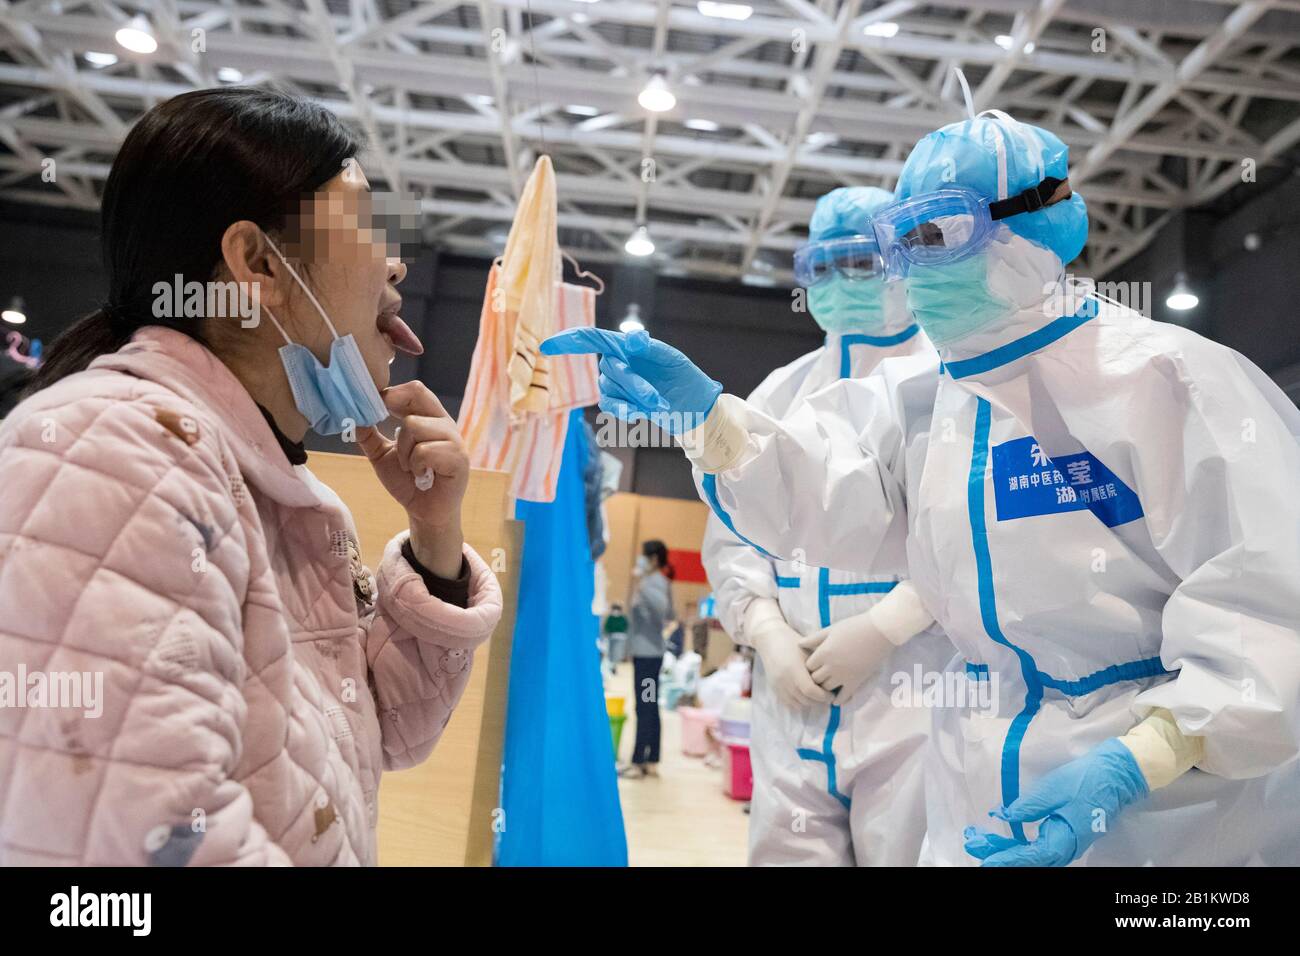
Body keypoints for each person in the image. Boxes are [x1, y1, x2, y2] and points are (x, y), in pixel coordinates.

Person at [543, 108, 1300, 866]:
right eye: (902, 243)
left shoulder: (1175, 382)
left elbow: (1272, 614)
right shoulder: (931, 397)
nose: (916, 268)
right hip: (971, 775)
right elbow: (824, 490)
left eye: (940, 234)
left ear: (1039, 224)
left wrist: (1147, 755)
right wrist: (711, 423)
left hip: (1167, 813)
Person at [0, 88, 503, 866]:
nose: (397, 259)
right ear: (259, 264)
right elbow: (135, 847)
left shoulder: (269, 486)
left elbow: (385, 735)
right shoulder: (116, 450)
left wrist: (436, 541)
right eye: (367, 221)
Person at [700, 186, 949, 866]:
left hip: (917, 686)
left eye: (861, 264)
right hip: (794, 697)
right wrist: (767, 634)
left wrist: (886, 627)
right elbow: (734, 535)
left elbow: (971, 536)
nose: (842, 284)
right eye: (823, 267)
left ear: (903, 264)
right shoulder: (781, 392)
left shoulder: (953, 382)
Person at [622, 540, 675, 778]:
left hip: (649, 655)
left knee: (645, 706)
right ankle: (651, 757)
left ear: (653, 559)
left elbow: (662, 614)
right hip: (644, 653)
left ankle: (639, 761)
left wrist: (642, 589)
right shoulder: (650, 582)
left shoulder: (656, 583)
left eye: (644, 556)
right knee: (648, 705)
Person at [602, 602, 629, 676]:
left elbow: (626, 626)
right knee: (612, 653)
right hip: (612, 637)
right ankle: (612, 666)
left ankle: (614, 666)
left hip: (621, 637)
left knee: (617, 653)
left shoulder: (622, 618)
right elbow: (607, 627)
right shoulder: (610, 618)